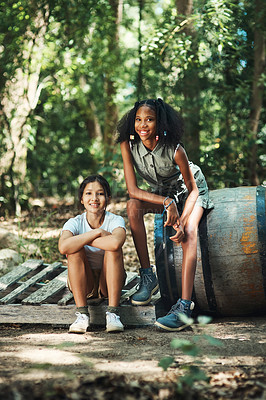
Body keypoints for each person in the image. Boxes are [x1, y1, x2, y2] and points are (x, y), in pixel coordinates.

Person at [117, 98, 213, 332]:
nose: (143, 125)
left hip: (192, 192)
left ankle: (183, 307)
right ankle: (148, 276)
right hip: (164, 195)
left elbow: (193, 190)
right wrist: (167, 202)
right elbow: (133, 190)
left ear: (160, 123)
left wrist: (181, 219)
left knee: (188, 233)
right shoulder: (128, 146)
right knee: (132, 206)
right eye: (138, 119)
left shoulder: (175, 149)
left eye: (149, 120)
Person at [58, 174, 126, 334]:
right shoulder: (74, 222)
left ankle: (113, 314)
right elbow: (64, 247)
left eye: (100, 193)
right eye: (88, 193)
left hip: (108, 283)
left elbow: (116, 243)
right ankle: (82, 315)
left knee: (112, 249)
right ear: (81, 199)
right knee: (74, 251)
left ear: (108, 198)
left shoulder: (115, 220)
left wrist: (80, 240)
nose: (94, 198)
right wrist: (97, 233)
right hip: (84, 282)